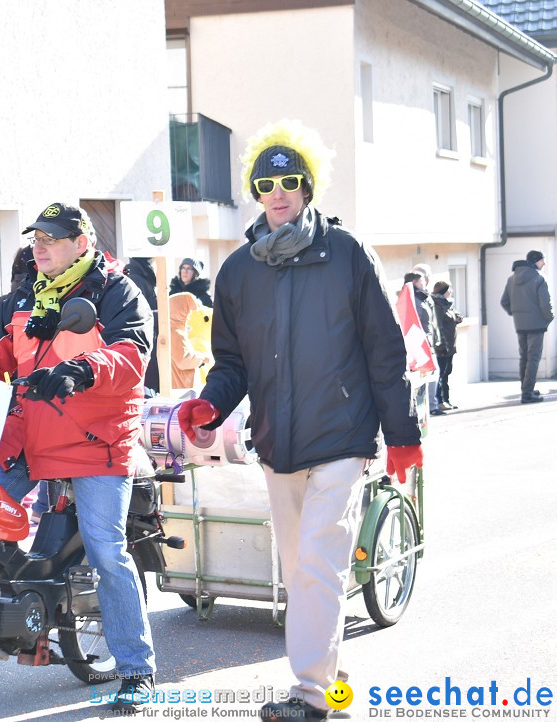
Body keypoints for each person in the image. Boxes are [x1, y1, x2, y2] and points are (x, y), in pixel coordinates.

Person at [175, 122, 422, 722]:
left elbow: (385, 350)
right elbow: (232, 362)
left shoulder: (348, 254)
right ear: (255, 192)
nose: (277, 192)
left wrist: (403, 437)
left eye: (289, 181)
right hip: (277, 443)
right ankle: (335, 686)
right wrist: (211, 405)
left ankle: (310, 697)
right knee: (301, 568)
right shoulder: (236, 271)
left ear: (308, 187)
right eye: (266, 182)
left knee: (316, 560)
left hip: (342, 436)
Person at [0, 202, 157, 714]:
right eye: (35, 238)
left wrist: (83, 370)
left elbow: (132, 353)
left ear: (81, 242)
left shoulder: (116, 291)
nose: (38, 246)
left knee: (108, 550)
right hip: (29, 435)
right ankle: (13, 611)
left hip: (93, 441)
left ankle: (136, 669)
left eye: (50, 238)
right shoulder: (26, 296)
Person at [500, 250, 553, 404]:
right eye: (542, 260)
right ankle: (527, 393)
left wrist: (516, 313)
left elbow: (505, 302)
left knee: (524, 357)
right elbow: (545, 304)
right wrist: (549, 319)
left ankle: (526, 388)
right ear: (536, 261)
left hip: (520, 323)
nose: (544, 264)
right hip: (537, 324)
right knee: (533, 359)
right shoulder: (539, 278)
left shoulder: (512, 279)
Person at [123, 257, 160, 395]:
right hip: (142, 342)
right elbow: (139, 314)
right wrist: (162, 315)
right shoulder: (137, 280)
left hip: (150, 339)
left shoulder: (144, 278)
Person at [408, 265, 441, 414]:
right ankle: (428, 407)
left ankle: (430, 406)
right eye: (420, 280)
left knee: (432, 373)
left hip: (429, 341)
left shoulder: (425, 297)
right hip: (420, 343)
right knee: (428, 373)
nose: (424, 282)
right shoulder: (413, 300)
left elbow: (432, 322)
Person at [431, 281, 463, 412]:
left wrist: (457, 317)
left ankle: (446, 400)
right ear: (443, 291)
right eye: (449, 289)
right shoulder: (437, 305)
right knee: (441, 375)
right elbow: (438, 326)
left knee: (447, 374)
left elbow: (457, 316)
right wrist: (442, 345)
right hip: (443, 347)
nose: (451, 292)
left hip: (450, 345)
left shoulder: (448, 304)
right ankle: (439, 401)